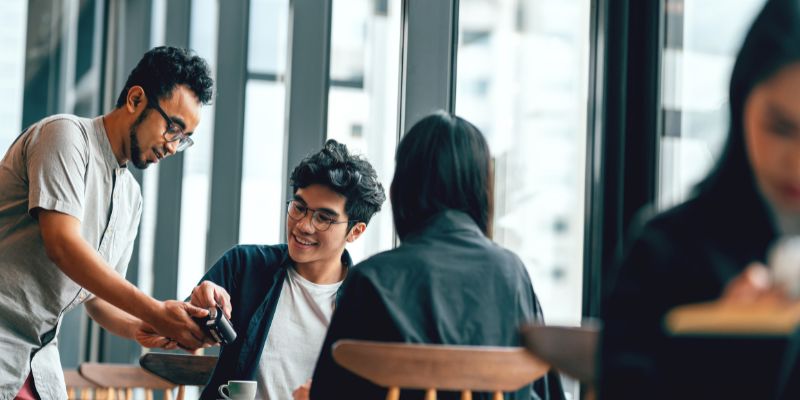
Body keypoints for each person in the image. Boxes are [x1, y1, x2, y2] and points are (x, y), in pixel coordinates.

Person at [600, 0, 800, 398]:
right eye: (781, 127)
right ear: (741, 98)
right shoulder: (665, 251)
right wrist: (718, 348)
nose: (797, 160)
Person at [0, 46, 214, 399]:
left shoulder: (131, 197)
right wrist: (157, 312)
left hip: (35, 361)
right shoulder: (65, 137)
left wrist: (140, 326)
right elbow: (63, 246)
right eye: (172, 128)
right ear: (135, 99)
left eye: (183, 138)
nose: (173, 147)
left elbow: (98, 298)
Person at [309, 111, 565, 399]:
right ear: (482, 189)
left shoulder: (371, 280)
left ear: (401, 187)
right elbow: (545, 393)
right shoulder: (512, 274)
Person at [188, 139, 386, 400]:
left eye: (324, 218)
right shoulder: (244, 266)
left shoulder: (366, 302)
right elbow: (182, 332)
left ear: (355, 231)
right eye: (299, 207)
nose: (303, 225)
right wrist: (199, 303)